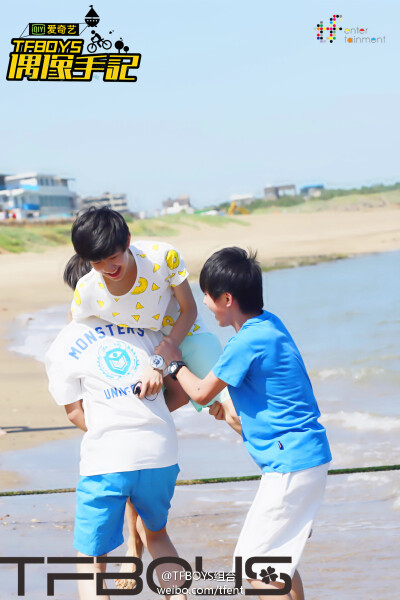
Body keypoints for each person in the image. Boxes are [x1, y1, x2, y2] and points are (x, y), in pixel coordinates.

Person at [161, 247, 332, 600]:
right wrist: (232, 415)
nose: (204, 303)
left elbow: (202, 392)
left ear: (226, 298)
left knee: (253, 564)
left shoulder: (245, 342)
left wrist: (174, 362)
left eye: (207, 296)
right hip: (306, 456)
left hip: (291, 464)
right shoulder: (270, 324)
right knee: (277, 562)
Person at [45, 315, 188, 600]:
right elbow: (182, 396)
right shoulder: (149, 327)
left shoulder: (67, 340)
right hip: (159, 452)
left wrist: (111, 428)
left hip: (107, 459)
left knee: (91, 559)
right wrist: (144, 418)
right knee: (157, 535)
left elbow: (74, 412)